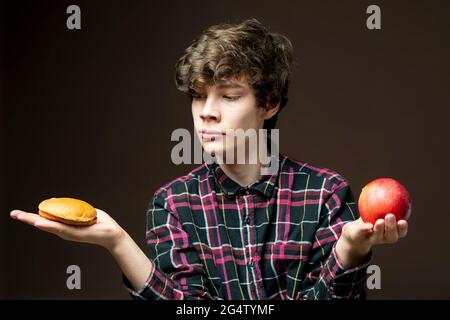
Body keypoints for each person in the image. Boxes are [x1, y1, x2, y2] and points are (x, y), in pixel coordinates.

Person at [10, 18, 408, 300]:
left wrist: (349, 253)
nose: (207, 112)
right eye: (199, 95)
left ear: (269, 103)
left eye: (229, 96)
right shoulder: (172, 204)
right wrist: (116, 241)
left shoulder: (326, 194)